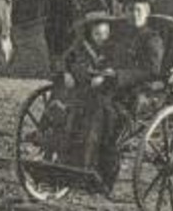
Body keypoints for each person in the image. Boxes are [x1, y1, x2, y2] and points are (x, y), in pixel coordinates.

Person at [52, 11, 127, 190]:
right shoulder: (80, 47)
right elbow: (63, 60)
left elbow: (116, 70)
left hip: (101, 93)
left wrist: (104, 78)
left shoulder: (113, 49)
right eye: (97, 34)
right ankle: (63, 161)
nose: (101, 38)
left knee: (92, 122)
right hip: (79, 90)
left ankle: (87, 166)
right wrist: (67, 72)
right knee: (67, 115)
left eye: (105, 34)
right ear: (90, 33)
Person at [44, 0, 117, 77]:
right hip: (69, 58)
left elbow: (116, 27)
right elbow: (51, 29)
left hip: (100, 60)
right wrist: (55, 57)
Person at [108, 0, 166, 102]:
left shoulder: (151, 38)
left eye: (139, 10)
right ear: (124, 12)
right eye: (130, 10)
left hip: (140, 90)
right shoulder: (122, 35)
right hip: (119, 84)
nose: (135, 15)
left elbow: (152, 71)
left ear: (147, 12)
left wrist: (119, 75)